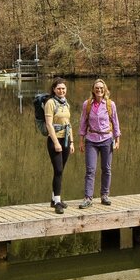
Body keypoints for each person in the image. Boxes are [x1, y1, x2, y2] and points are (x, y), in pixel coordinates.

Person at [78, 79, 121, 209]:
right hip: (91, 139)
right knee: (90, 169)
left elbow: (115, 121)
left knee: (106, 169)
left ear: (105, 89)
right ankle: (88, 198)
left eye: (101, 88)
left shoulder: (110, 104)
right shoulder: (87, 104)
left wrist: (117, 139)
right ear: (93, 89)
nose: (99, 90)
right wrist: (81, 140)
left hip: (107, 139)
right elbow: (83, 122)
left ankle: (104, 195)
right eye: (97, 88)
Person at [46, 77, 75, 214]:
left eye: (63, 88)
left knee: (60, 170)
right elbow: (49, 124)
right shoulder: (50, 103)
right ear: (54, 89)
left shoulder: (66, 103)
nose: (61, 90)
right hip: (55, 141)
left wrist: (72, 142)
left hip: (66, 140)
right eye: (59, 88)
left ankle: (54, 199)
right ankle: (57, 201)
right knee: (58, 170)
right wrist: (56, 142)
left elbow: (68, 124)